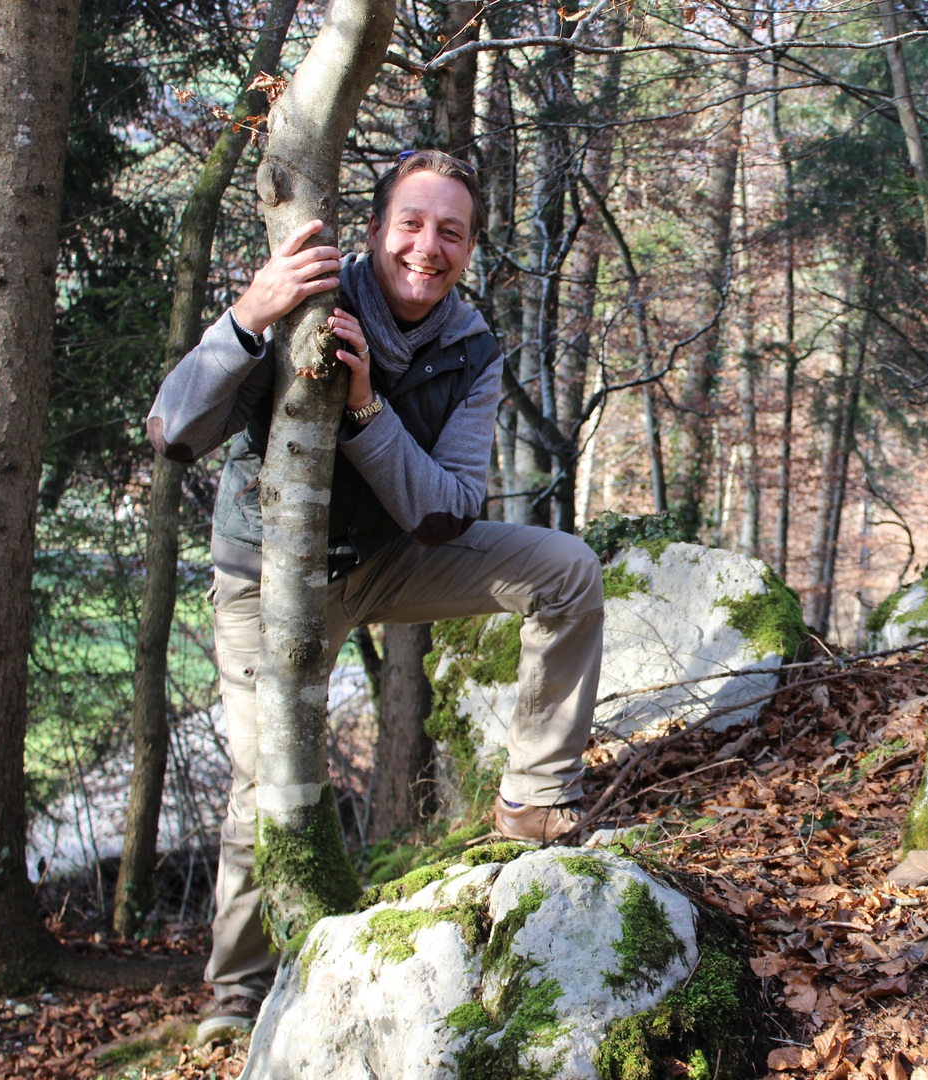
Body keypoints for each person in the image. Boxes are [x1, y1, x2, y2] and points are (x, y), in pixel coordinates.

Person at [147, 150, 603, 1045]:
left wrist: (365, 409)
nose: (428, 248)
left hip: (389, 562)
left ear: (469, 249)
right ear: (375, 230)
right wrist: (249, 316)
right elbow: (173, 433)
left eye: (451, 232)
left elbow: (446, 513)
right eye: (412, 224)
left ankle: (533, 800)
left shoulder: (472, 347)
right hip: (266, 575)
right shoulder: (305, 293)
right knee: (264, 782)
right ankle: (235, 993)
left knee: (567, 569)